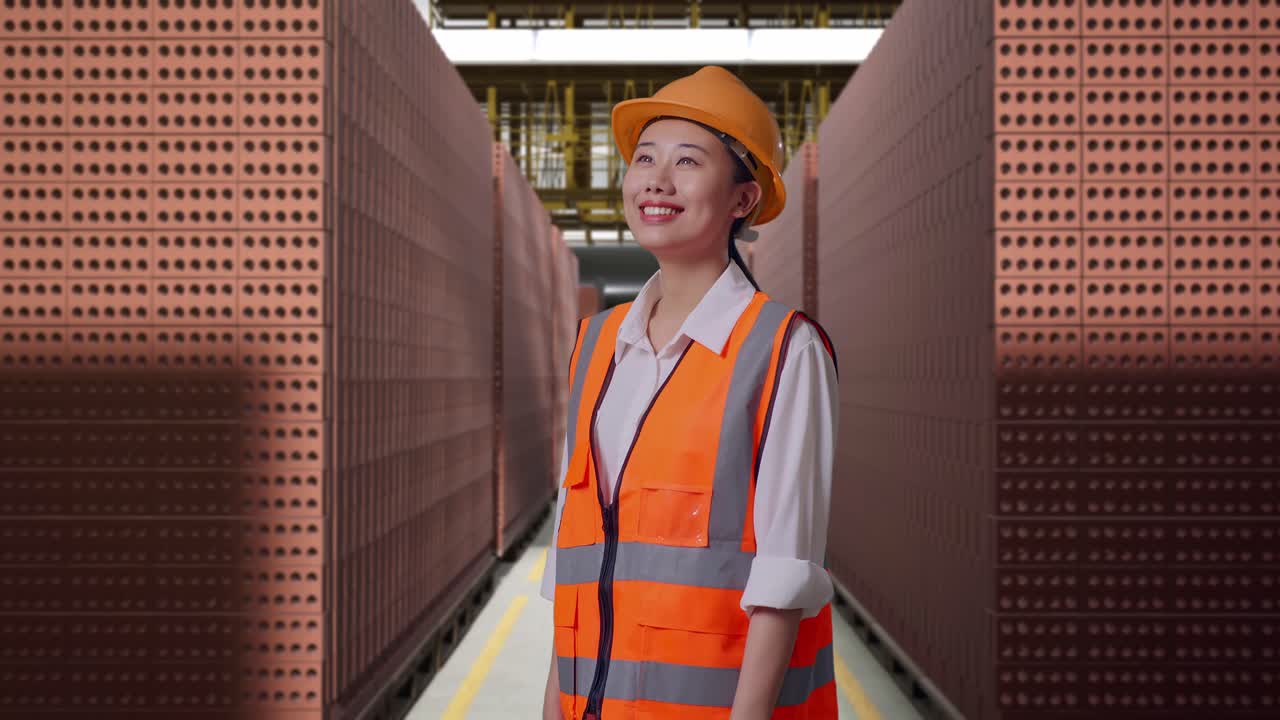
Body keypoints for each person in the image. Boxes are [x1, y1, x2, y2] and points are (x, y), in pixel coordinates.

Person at [540, 65, 840, 720]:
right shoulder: (595, 347)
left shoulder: (783, 350)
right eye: (644, 158)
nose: (656, 178)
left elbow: (784, 581)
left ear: (742, 200)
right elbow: (577, 563)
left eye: (687, 161)